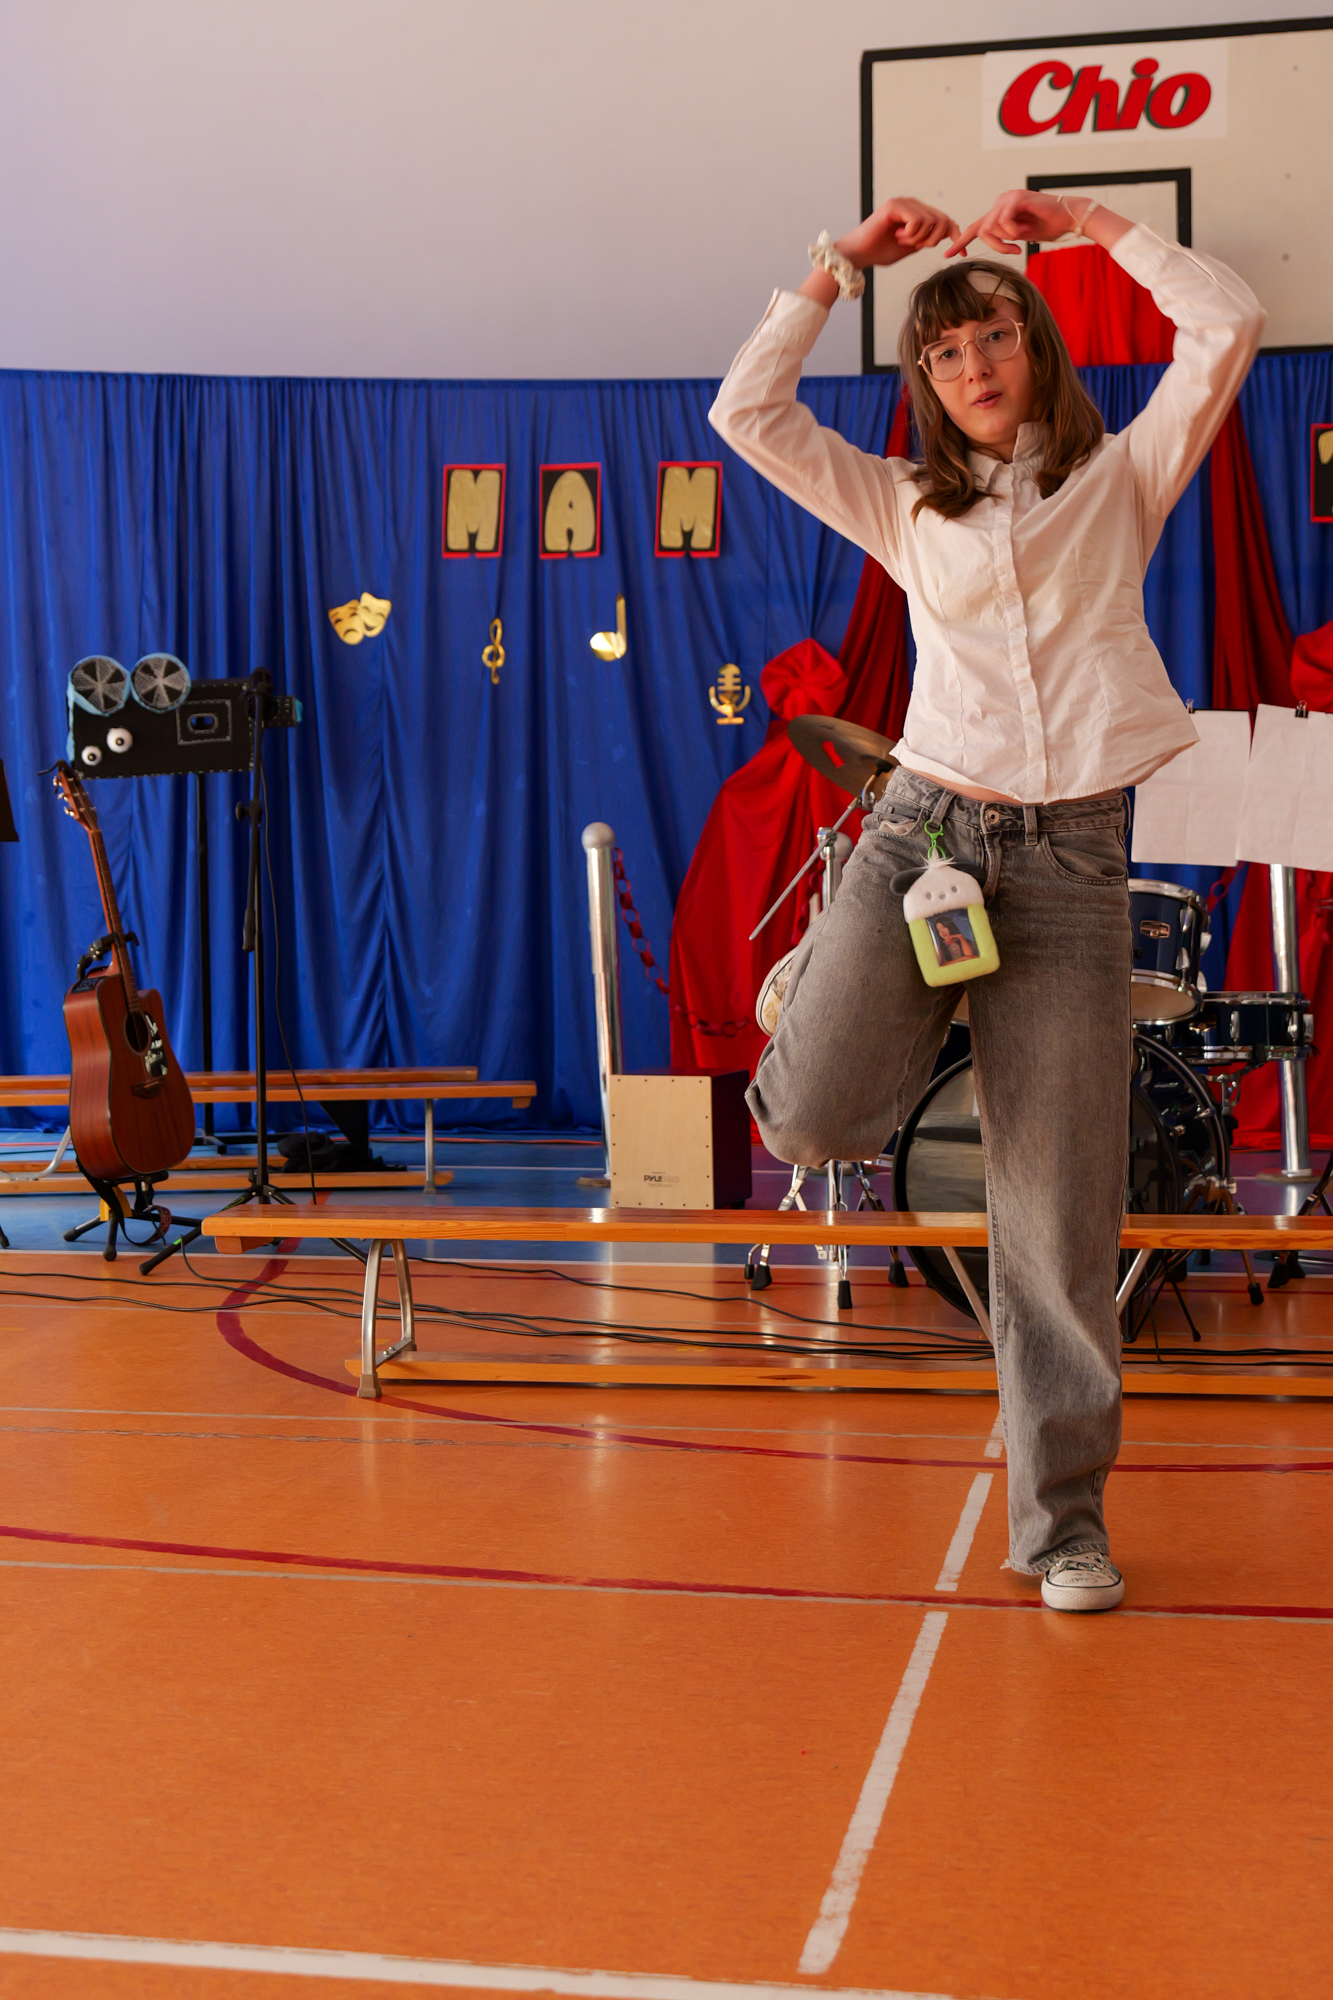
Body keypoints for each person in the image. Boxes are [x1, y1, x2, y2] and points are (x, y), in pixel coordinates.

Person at [709, 188, 1264, 1613]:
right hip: (927, 837)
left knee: (1058, 1214)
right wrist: (838, 266)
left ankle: (1061, 1525)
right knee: (810, 1120)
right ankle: (853, 998)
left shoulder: (1123, 477)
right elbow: (747, 416)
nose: (973, 366)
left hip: (1071, 868)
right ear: (926, 380)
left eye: (995, 335)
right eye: (945, 352)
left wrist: (1095, 225)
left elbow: (1227, 323)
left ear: (1038, 346)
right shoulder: (903, 504)